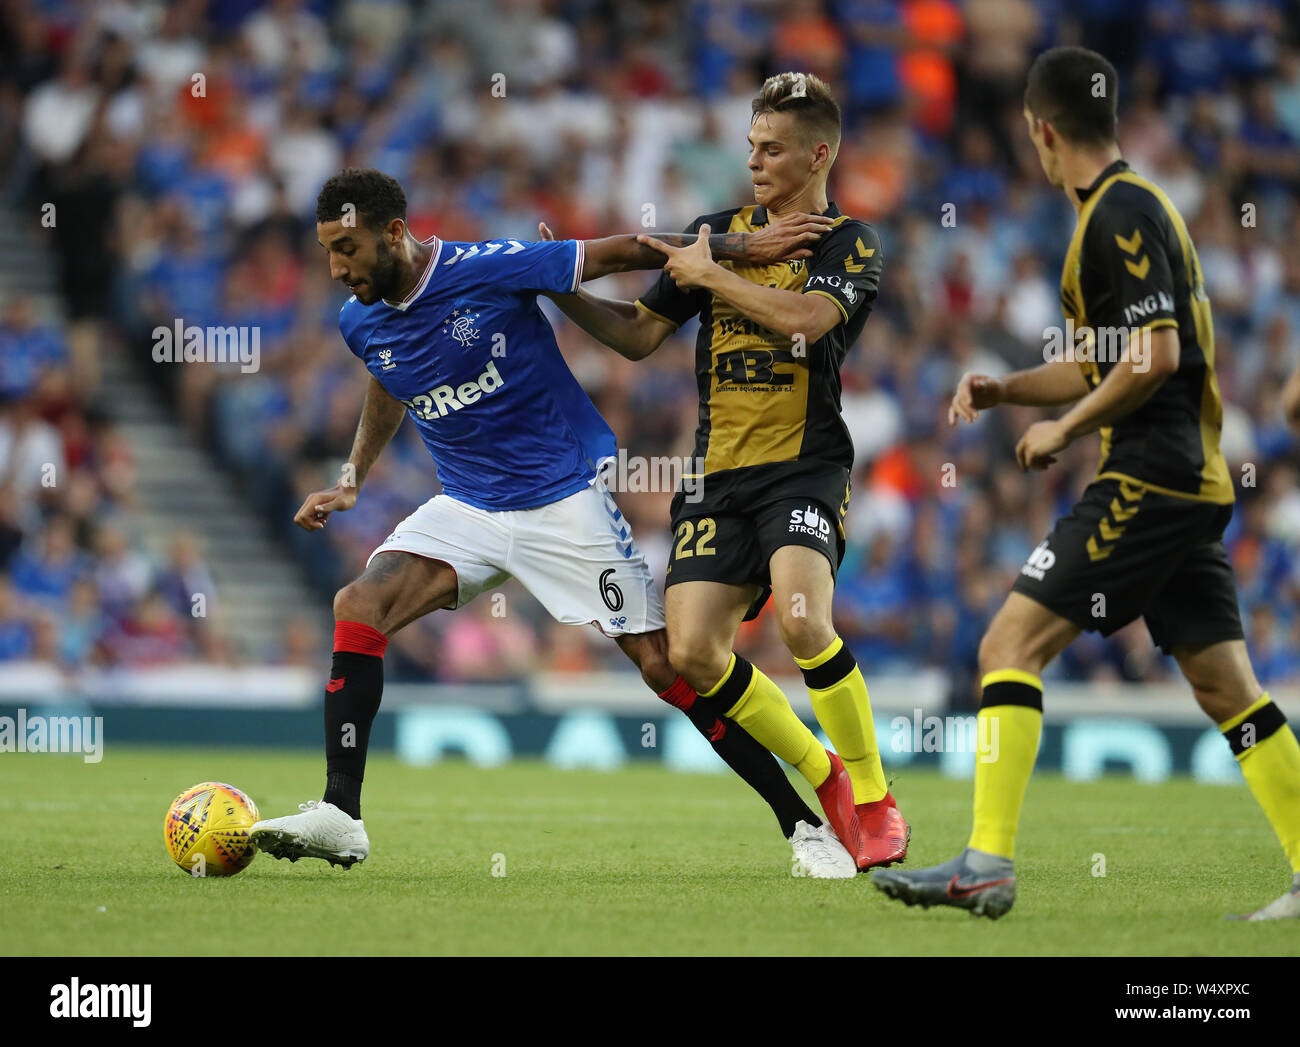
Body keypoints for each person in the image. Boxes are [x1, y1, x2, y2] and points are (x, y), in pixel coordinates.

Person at [250, 167, 861, 878]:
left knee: (667, 665)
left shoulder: (489, 268)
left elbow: (621, 249)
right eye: (327, 250)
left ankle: (807, 825)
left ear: (393, 232)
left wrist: (735, 247)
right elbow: (390, 378)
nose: (335, 267)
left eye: (347, 247)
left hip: (562, 497)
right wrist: (352, 478)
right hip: (470, 504)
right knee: (358, 603)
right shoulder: (359, 321)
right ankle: (341, 814)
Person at [873, 46, 1300, 920]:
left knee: (1008, 646)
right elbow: (1103, 357)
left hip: (1152, 477)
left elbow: (1155, 355)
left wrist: (1065, 429)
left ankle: (986, 861)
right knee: (1227, 687)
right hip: (1190, 484)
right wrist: (1009, 387)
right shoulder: (1125, 209)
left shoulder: (1119, 215)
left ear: (1040, 131)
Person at [542, 71, 908, 871]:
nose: (756, 161)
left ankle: (877, 799)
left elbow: (811, 322)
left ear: (818, 154)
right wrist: (559, 290)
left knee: (805, 620)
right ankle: (827, 775)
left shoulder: (851, 242)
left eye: (772, 149)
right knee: (694, 653)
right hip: (716, 476)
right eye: (750, 147)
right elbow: (641, 334)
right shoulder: (718, 229)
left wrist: (711, 276)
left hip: (803, 466)